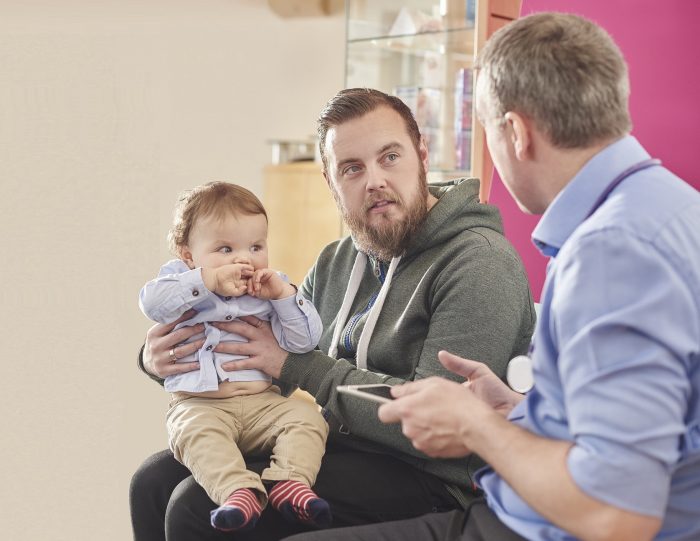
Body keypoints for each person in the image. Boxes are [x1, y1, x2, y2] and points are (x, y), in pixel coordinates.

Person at [283, 12, 700, 541]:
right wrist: (513, 412)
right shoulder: (670, 210)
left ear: (516, 133)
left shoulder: (612, 253)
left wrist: (479, 428)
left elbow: (615, 515)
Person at [130, 88, 536, 541]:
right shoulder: (336, 261)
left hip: (436, 476)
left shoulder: (478, 262)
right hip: (344, 447)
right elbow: (267, 357)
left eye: (390, 157)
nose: (374, 181)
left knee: (194, 506)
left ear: (421, 155)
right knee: (152, 483)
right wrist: (160, 359)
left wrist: (293, 364)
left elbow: (434, 426)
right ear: (330, 181)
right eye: (352, 168)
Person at [138, 181, 331, 533]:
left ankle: (289, 481)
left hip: (263, 404)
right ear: (187, 255)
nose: (244, 258)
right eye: (225, 249)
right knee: (196, 437)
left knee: (307, 417)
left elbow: (304, 341)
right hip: (201, 406)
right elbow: (152, 304)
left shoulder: (272, 289)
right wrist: (207, 280)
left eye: (256, 246)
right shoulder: (181, 282)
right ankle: (237, 492)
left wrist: (285, 297)